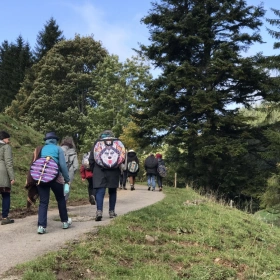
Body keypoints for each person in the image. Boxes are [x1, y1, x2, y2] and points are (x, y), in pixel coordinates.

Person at [36, 131, 72, 234]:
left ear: (46, 140)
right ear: (56, 140)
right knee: (60, 199)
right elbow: (63, 165)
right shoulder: (58, 149)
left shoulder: (41, 149)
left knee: (43, 202)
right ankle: (65, 222)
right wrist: (67, 179)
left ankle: (41, 226)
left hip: (41, 177)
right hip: (55, 177)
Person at [89, 130, 121, 221]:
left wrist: (93, 168)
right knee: (112, 191)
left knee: (100, 191)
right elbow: (121, 157)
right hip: (114, 170)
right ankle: (111, 212)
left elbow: (92, 158)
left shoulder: (98, 143)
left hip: (99, 170)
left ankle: (99, 211)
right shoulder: (117, 142)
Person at [0, 131, 15, 225]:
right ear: (4, 139)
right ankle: (5, 217)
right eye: (8, 139)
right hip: (2, 173)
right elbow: (8, 162)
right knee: (5, 195)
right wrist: (12, 177)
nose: (9, 141)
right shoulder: (6, 147)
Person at [60, 136, 79, 202]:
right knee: (66, 187)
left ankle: (60, 201)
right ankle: (64, 202)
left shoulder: (59, 149)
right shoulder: (73, 152)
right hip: (69, 172)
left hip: (60, 172)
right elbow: (76, 166)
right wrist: (73, 173)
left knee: (59, 187)